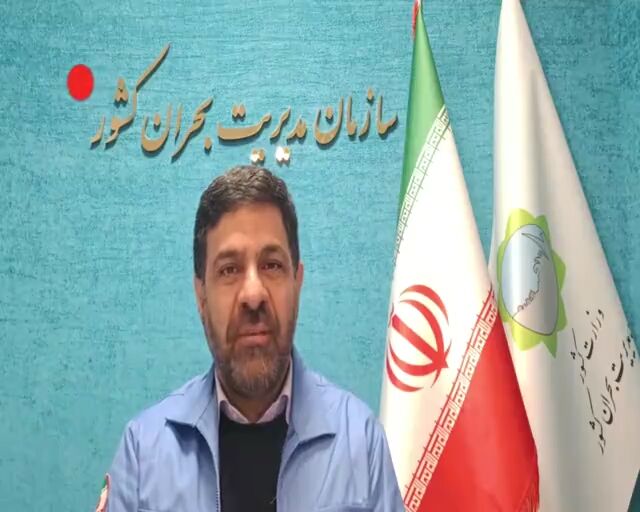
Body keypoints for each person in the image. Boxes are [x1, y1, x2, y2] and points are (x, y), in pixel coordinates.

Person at [99, 165, 404, 512]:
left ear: (297, 283)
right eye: (229, 269)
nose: (253, 294)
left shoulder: (360, 443)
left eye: (271, 265)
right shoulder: (143, 453)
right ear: (201, 295)